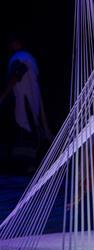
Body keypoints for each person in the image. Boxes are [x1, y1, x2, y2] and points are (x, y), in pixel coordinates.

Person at [0, 37, 52, 171]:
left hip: (25, 100)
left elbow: (17, 74)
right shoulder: (28, 57)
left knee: (27, 130)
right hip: (30, 100)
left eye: (12, 43)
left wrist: (4, 95)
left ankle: (30, 165)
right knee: (31, 130)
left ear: (17, 43)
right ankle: (31, 164)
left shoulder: (20, 56)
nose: (10, 46)